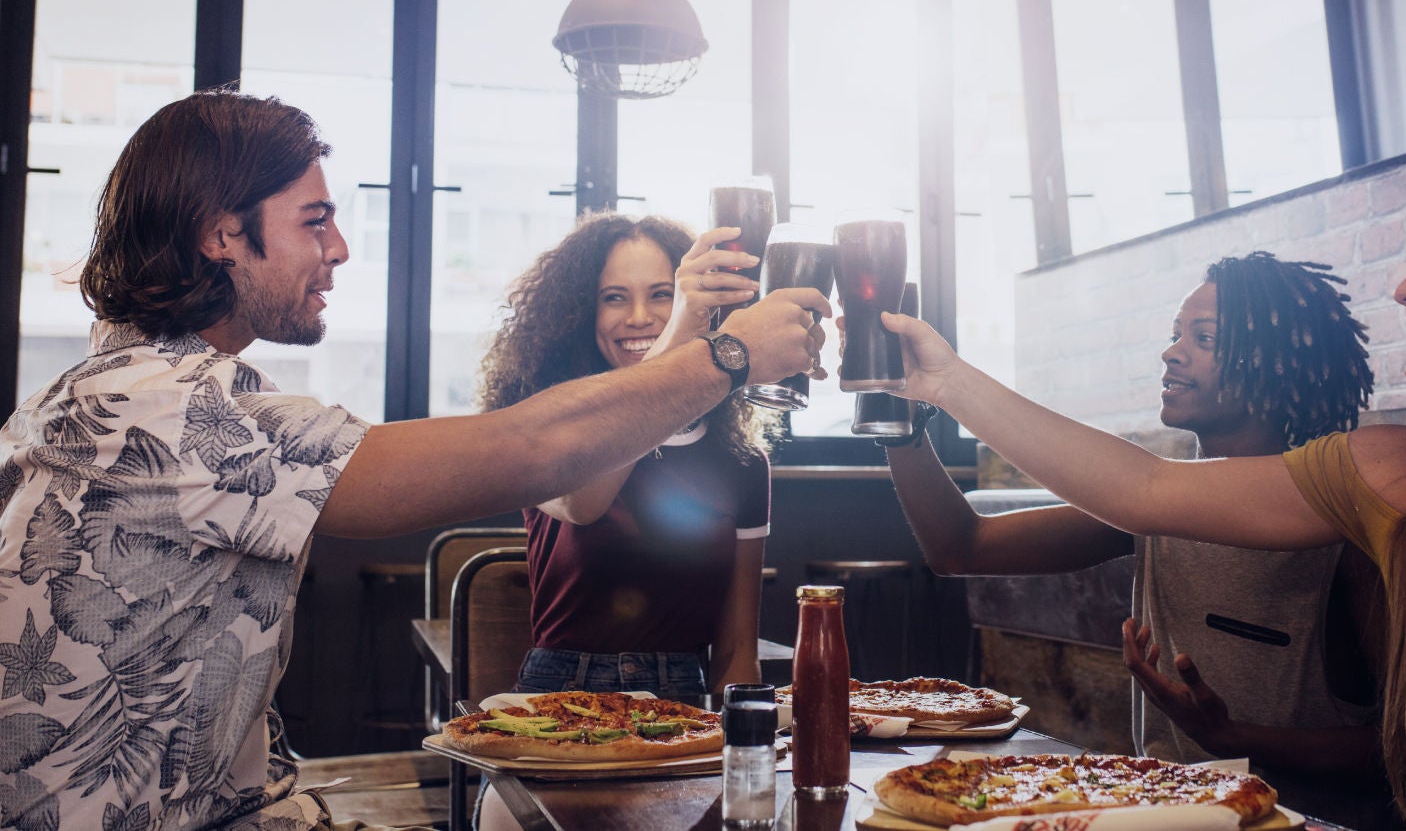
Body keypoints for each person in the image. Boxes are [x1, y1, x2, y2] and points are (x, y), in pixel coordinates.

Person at [0, 89, 826, 831]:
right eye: (314, 220)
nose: (342, 249)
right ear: (223, 234)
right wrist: (726, 356)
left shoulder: (121, 392)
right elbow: (533, 450)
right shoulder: (164, 411)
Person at [882, 171, 1406, 831]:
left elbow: (1385, 744)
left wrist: (1241, 742)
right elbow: (1140, 490)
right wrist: (935, 387)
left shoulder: (1369, 522)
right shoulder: (1394, 480)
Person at [882, 253, 1398, 828]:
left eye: (1203, 338)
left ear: (1273, 364)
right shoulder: (1158, 504)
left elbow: (1402, 750)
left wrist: (1233, 736)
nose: (1171, 352)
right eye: (1176, 334)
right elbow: (962, 547)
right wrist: (899, 422)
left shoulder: (1344, 534)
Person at [476, 214, 779, 700]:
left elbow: (737, 650)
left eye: (662, 295)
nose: (639, 317)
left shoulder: (741, 461)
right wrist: (675, 343)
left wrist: (743, 757)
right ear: (580, 316)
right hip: (562, 698)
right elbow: (582, 504)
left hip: (686, 702)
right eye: (614, 297)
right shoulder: (554, 432)